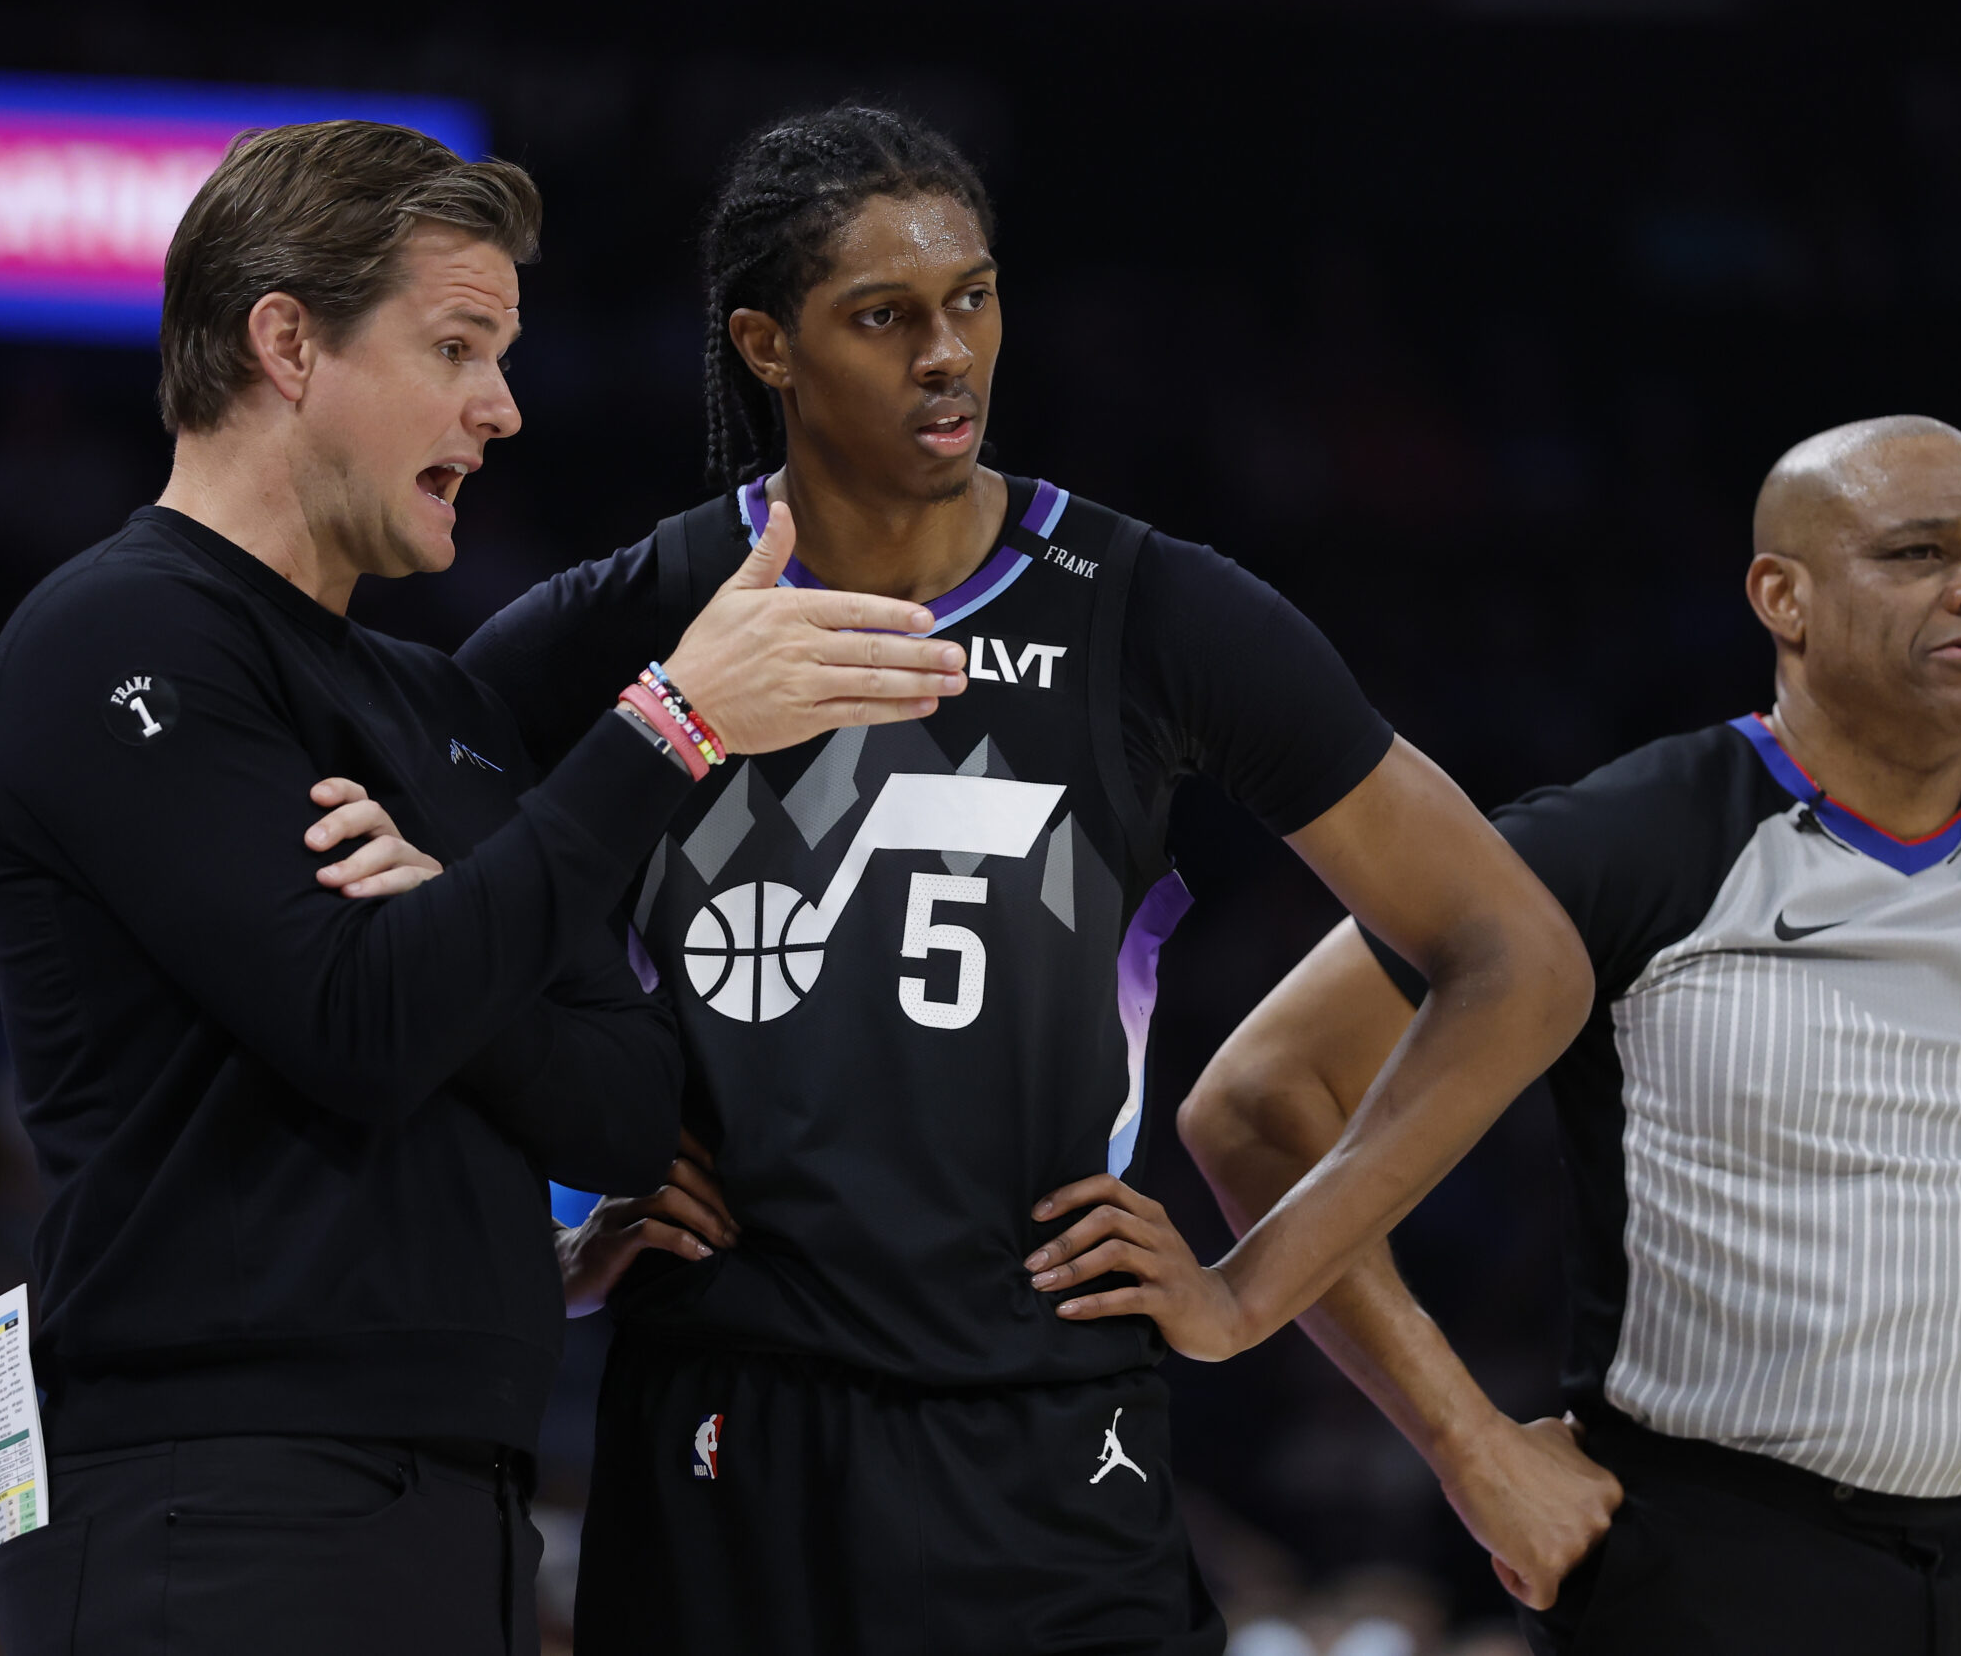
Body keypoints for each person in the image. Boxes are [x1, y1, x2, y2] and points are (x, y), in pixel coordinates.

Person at [447, 105, 1589, 1653]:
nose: (949, 354)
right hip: (720, 1423)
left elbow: (1517, 953)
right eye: (886, 315)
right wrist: (549, 1229)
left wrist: (1254, 1289)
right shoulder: (615, 627)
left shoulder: (1153, 613)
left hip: (1049, 1434)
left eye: (973, 299)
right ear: (767, 346)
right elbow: (397, 969)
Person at [0, 120, 967, 1655]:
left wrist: (447, 913)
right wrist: (668, 730)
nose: (499, 410)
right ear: (287, 342)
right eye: (456, 346)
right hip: (211, 1507)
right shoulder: (118, 639)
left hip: (458, 1503)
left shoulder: (440, 702)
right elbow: (362, 1021)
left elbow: (626, 1104)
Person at [1183, 415, 1961, 1653]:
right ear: (1782, 597)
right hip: (1710, 1577)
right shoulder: (1629, 842)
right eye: (1918, 554)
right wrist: (1467, 1444)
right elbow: (1258, 1098)